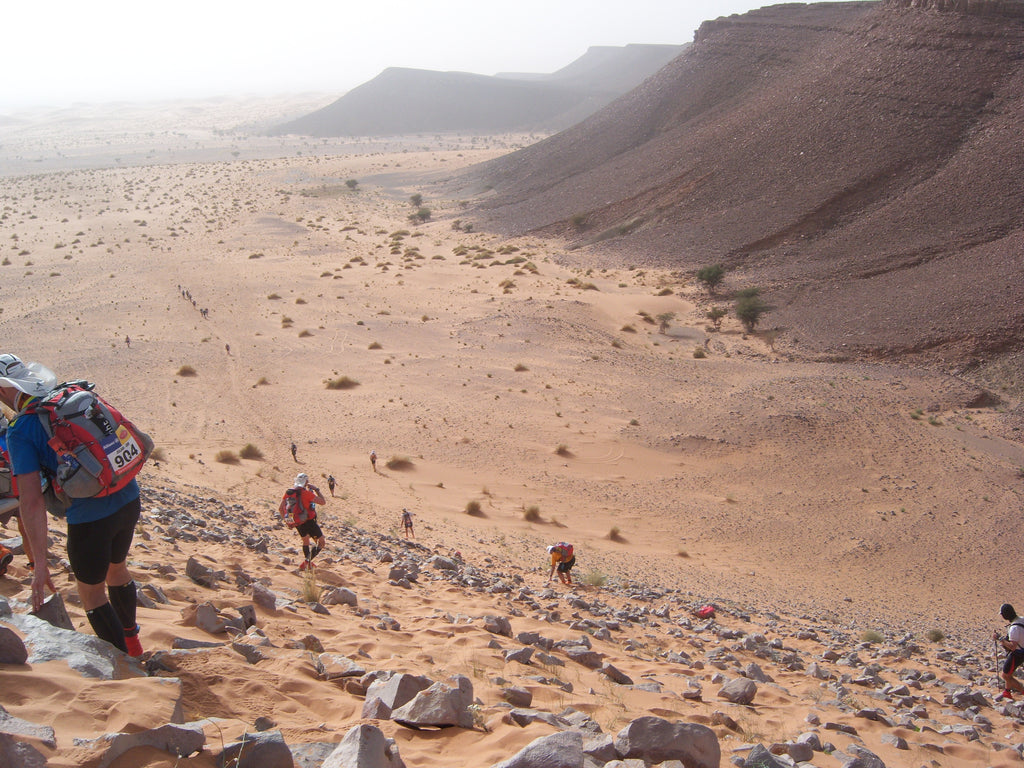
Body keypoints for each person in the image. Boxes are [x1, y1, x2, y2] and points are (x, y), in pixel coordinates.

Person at [0, 354, 144, 656]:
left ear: (4, 390)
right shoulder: (73, 395)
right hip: (127, 495)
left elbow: (30, 500)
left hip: (90, 516)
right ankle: (133, 643)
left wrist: (39, 563)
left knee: (90, 593)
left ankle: (126, 663)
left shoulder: (21, 429)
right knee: (117, 570)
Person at [279, 472, 326, 570]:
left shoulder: (289, 492)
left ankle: (307, 563)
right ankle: (307, 562)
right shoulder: (306, 493)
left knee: (306, 541)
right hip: (308, 521)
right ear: (306, 482)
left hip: (296, 521)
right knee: (321, 543)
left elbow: (280, 508)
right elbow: (322, 502)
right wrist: (316, 489)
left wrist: (288, 521)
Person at [994, 603, 1024, 700]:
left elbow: (1012, 646)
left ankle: (1022, 690)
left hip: (1018, 654)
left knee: (1006, 675)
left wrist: (1000, 639)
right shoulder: (1022, 619)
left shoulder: (1014, 628)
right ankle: (1007, 691)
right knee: (1009, 672)